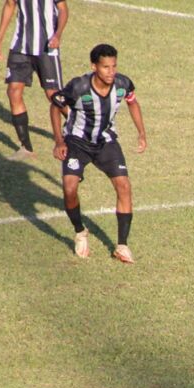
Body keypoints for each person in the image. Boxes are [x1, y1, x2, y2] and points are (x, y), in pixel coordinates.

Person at [50, 43, 147, 263]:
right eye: (105, 67)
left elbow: (133, 103)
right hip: (77, 142)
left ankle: (122, 245)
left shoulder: (123, 84)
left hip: (106, 142)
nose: (111, 72)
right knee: (69, 187)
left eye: (113, 66)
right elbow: (55, 106)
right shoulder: (78, 87)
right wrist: (58, 141)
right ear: (94, 66)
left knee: (124, 185)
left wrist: (141, 133)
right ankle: (80, 231)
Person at [0, 0, 69, 160]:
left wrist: (58, 34)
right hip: (20, 47)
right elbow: (9, 5)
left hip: (47, 47)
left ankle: (85, 127)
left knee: (54, 96)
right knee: (13, 92)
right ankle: (26, 147)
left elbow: (63, 9)